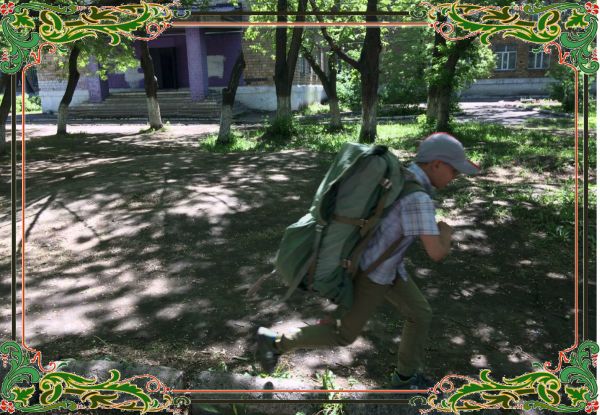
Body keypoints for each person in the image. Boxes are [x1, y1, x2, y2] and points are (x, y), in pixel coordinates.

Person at [256, 132, 480, 389]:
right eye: (454, 170)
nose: (455, 176)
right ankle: (274, 343)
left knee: (420, 313)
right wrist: (446, 232)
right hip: (372, 273)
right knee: (343, 335)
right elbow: (437, 252)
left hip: (387, 266)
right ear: (436, 164)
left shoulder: (403, 177)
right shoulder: (419, 199)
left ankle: (405, 377)